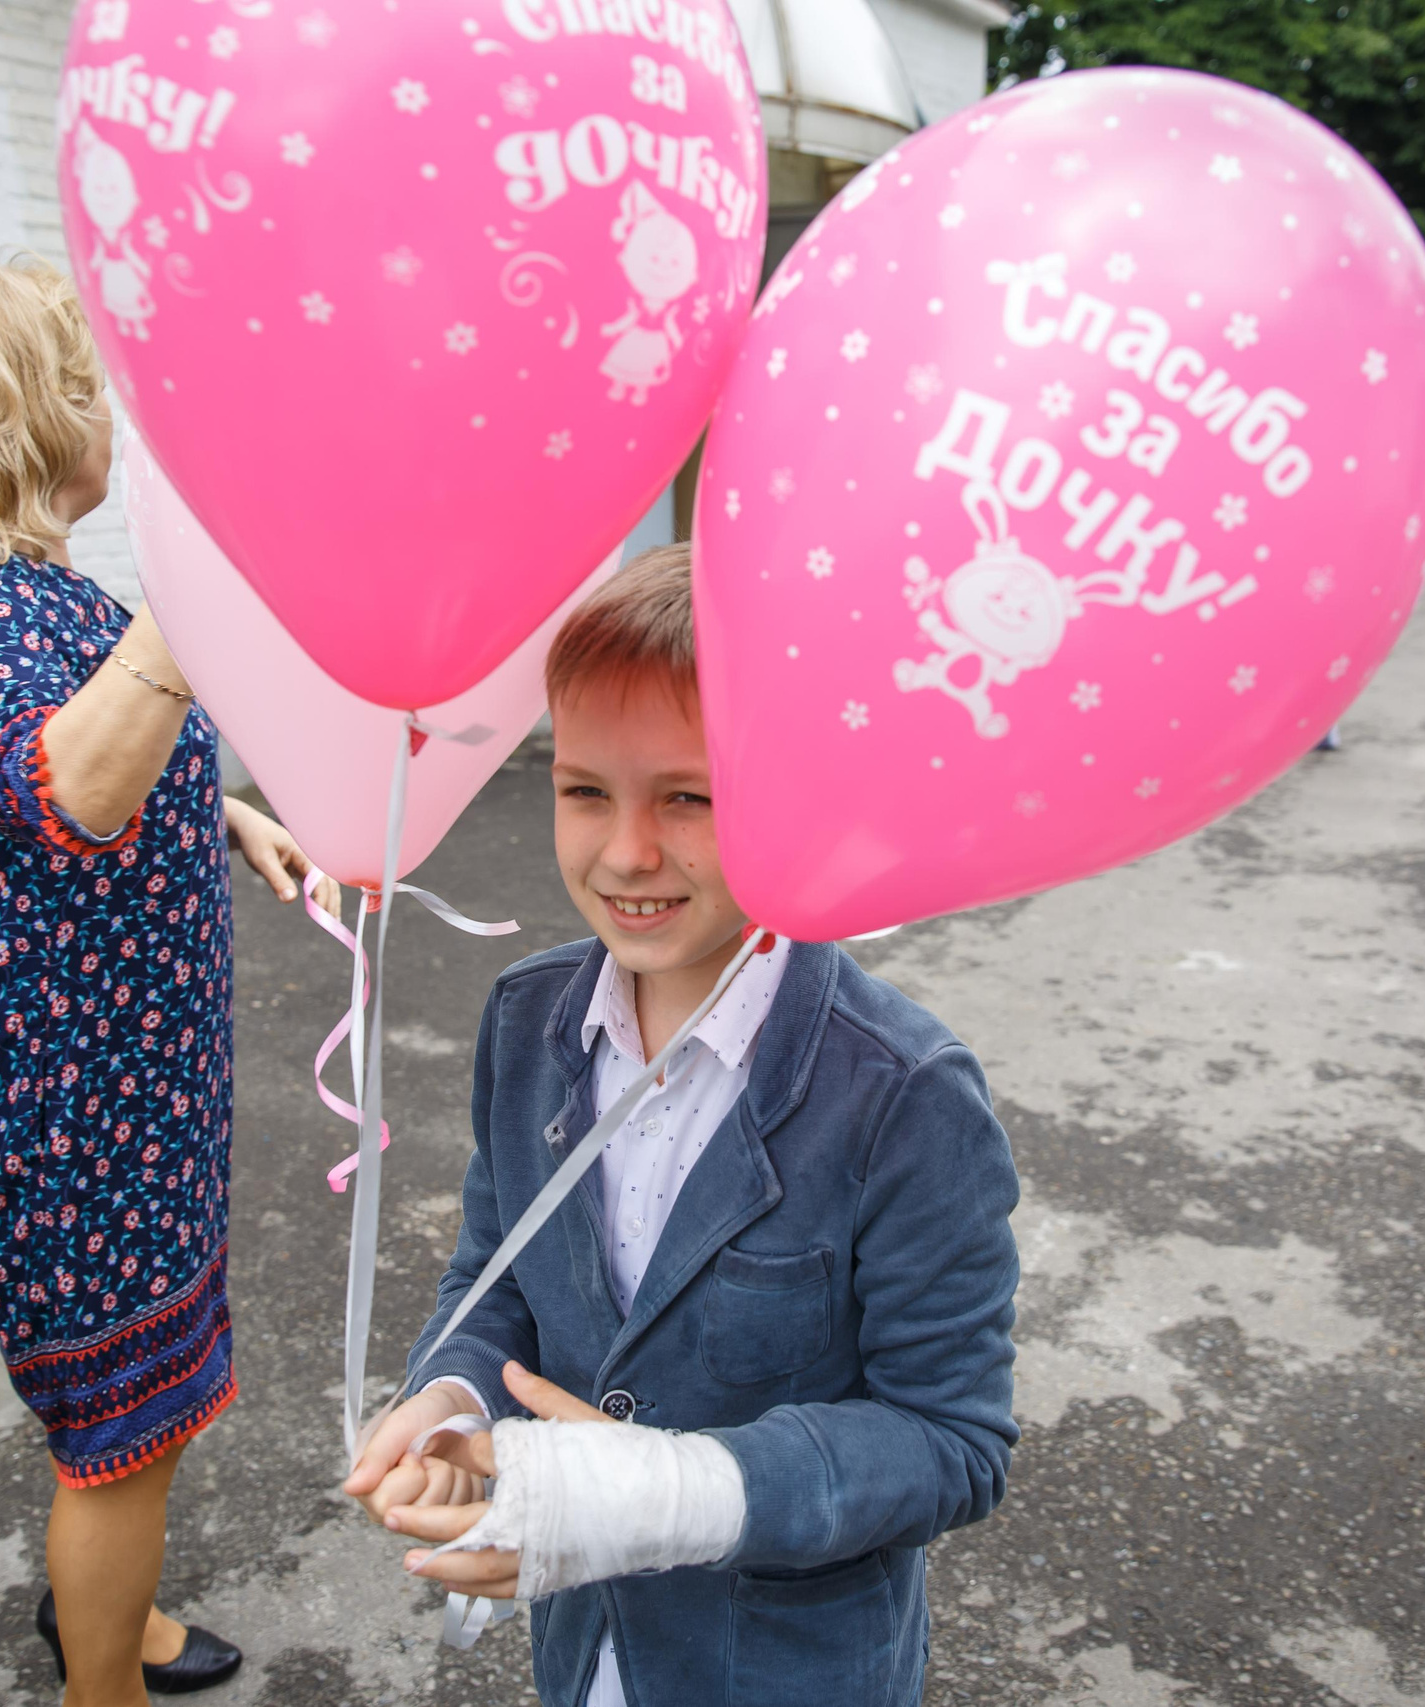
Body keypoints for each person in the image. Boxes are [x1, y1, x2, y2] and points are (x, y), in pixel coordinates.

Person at [342, 546, 1020, 1707]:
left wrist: (660, 1497)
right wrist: (454, 1397)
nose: (626, 852)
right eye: (584, 791)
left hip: (784, 1672)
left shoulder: (904, 1095)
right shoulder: (527, 1019)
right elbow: (494, 1272)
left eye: (688, 796)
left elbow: (948, 1439)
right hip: (587, 1654)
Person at [0, 252, 320, 1707]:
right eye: (91, 389)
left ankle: (111, 1616)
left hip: (128, 1067)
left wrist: (222, 813)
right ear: (27, 414)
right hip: (61, 1093)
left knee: (142, 1397)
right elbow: (64, 785)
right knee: (119, 1429)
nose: (115, 416)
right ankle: (97, 1682)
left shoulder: (34, 590)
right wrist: (193, 588)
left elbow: (94, 752)